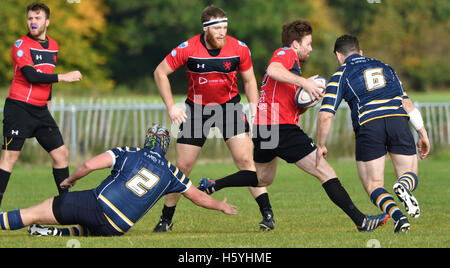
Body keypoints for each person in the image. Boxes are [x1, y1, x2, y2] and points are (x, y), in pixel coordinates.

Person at [199, 19, 389, 232]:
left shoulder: (293, 71)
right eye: (308, 43)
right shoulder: (285, 54)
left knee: (262, 179)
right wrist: (306, 83)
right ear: (296, 44)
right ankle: (361, 221)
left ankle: (213, 184)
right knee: (325, 171)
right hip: (280, 128)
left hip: (265, 128)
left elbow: (293, 106)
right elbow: (272, 69)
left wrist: (308, 102)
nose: (311, 48)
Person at [153, 5, 273, 231]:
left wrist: (255, 107)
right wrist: (171, 107)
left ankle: (267, 214)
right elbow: (160, 73)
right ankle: (166, 218)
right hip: (197, 111)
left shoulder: (239, 48)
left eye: (225, 27)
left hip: (230, 109)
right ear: (205, 29)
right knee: (183, 165)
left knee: (246, 162)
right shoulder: (188, 48)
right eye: (217, 28)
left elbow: (249, 81)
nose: (222, 32)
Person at [0, 125, 237, 237]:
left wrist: (70, 180)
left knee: (33, 211)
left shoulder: (128, 151)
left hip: (98, 207)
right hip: (117, 228)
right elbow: (198, 197)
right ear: (166, 147)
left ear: (148, 140)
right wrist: (222, 206)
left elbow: (88, 165)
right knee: (88, 226)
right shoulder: (173, 172)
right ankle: (52, 233)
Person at [316, 34, 431, 233]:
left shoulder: (341, 73)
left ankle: (398, 216)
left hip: (369, 126)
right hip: (398, 121)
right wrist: (423, 133)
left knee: (373, 184)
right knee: (409, 174)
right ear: (361, 52)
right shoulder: (386, 67)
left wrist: (321, 144)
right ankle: (403, 187)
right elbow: (407, 103)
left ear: (338, 55)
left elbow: (326, 115)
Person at [0, 2, 83, 210]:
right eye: (30, 18)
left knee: (61, 154)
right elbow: (31, 75)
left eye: (37, 18)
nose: (33, 22)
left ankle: (66, 206)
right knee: (9, 157)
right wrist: (64, 77)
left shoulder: (54, 45)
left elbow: (46, 75)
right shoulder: (21, 45)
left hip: (40, 111)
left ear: (47, 21)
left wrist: (47, 102)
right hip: (19, 108)